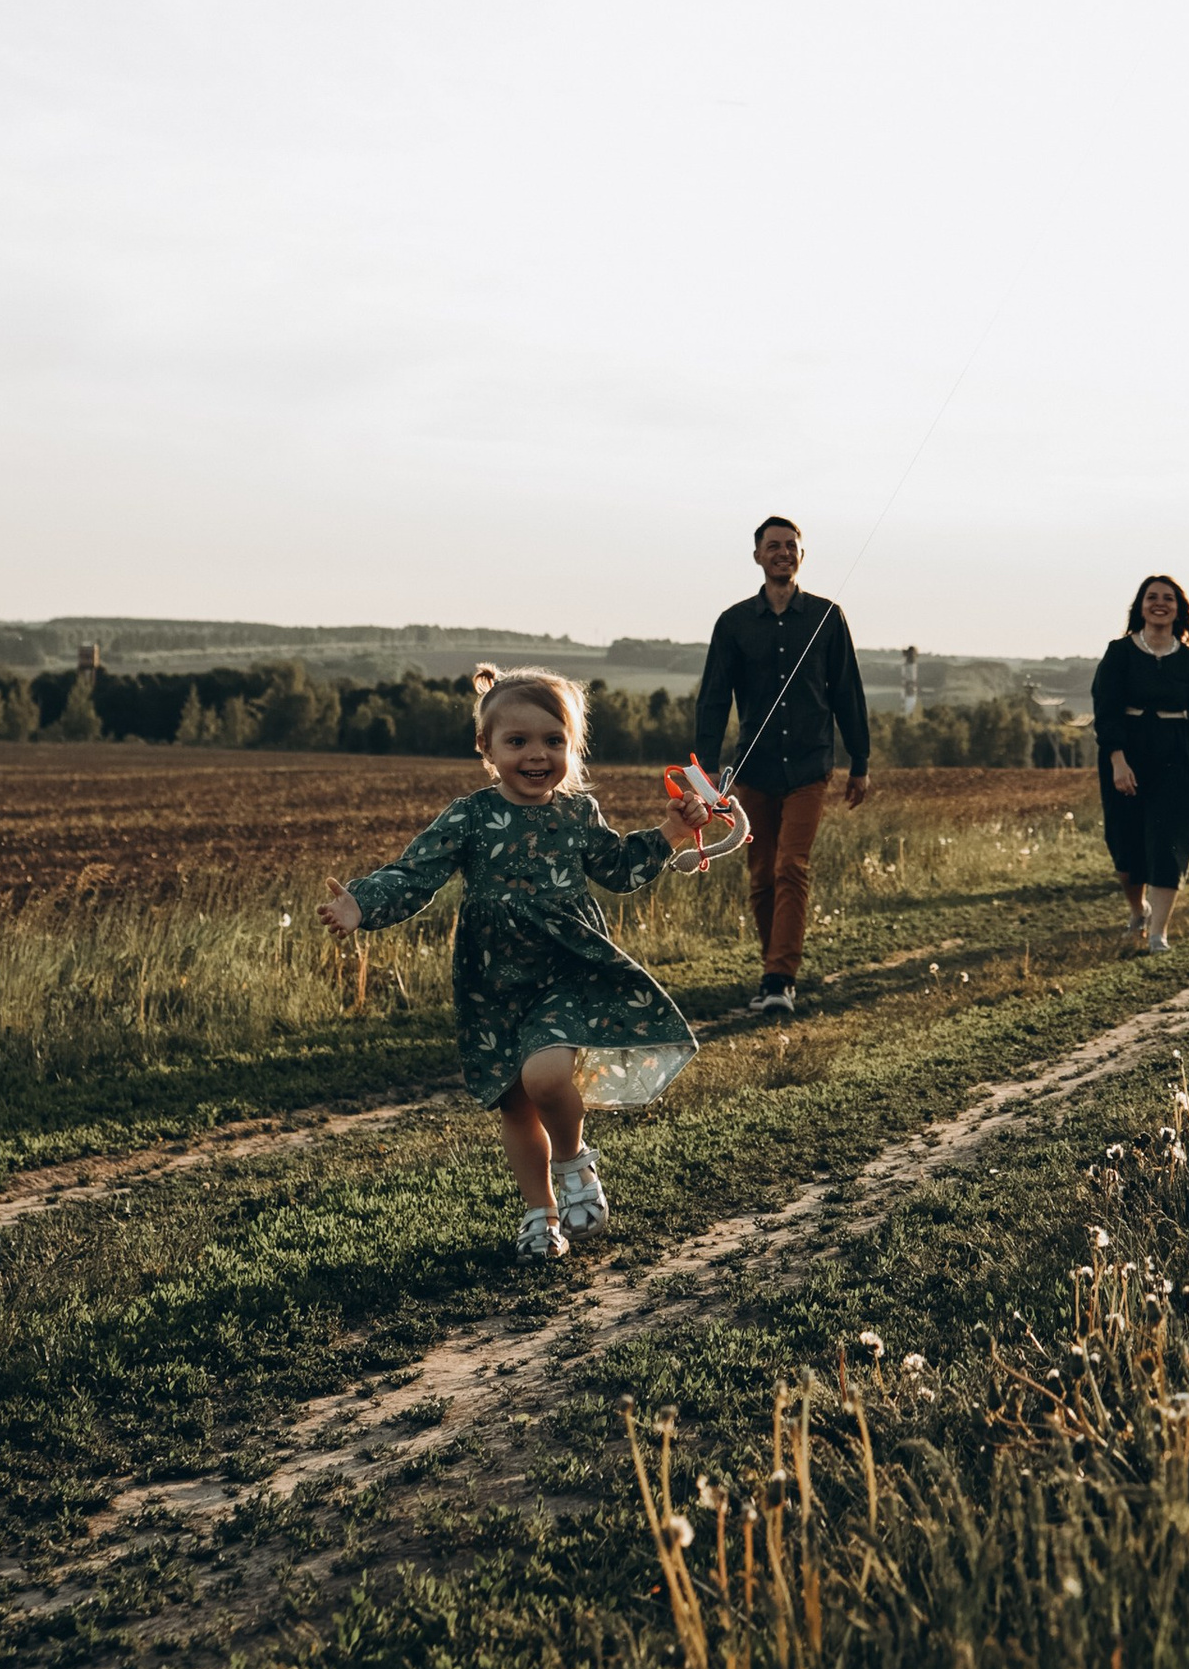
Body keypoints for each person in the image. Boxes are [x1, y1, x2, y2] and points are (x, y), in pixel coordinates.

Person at [322, 667, 710, 1259]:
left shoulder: (578, 815)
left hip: (565, 967)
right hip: (491, 981)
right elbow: (414, 873)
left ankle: (575, 1163)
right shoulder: (469, 816)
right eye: (518, 741)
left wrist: (670, 830)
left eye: (554, 741)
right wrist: (361, 904)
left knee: (546, 1075)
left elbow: (618, 868)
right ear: (487, 748)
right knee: (515, 1100)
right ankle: (540, 1215)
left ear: (573, 747)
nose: (537, 755)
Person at [694, 514, 872, 1017]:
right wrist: (705, 769)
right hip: (753, 771)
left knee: (791, 865)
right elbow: (713, 699)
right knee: (760, 876)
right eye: (773, 546)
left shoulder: (826, 616)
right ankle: (773, 967)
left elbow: (848, 692)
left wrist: (860, 760)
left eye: (791, 546)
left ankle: (779, 978)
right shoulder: (732, 624)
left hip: (810, 767)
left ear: (801, 555)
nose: (783, 553)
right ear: (757, 556)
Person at [1090, 574, 1189, 952]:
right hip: (1127, 751)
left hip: (1176, 754)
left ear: (1179, 609)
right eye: (1152, 597)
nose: (1159, 603)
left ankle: (1158, 933)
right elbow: (1106, 708)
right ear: (1141, 606)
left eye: (1168, 598)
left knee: (1170, 841)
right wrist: (1117, 759)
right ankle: (1138, 910)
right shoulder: (1120, 652)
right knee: (1126, 844)